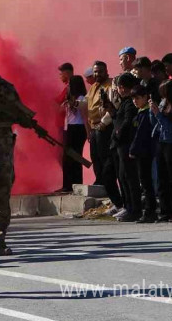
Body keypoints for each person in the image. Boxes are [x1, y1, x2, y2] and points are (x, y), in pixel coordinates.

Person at [0, 48, 35, 256]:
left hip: (4, 143)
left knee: (4, 186)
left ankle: (1, 236)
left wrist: (27, 120)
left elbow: (19, 113)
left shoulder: (6, 89)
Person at [86, 61, 124, 215]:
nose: (97, 74)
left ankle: (119, 201)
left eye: (100, 71)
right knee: (97, 161)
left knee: (108, 164)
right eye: (95, 71)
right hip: (95, 128)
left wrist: (103, 123)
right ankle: (114, 200)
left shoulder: (111, 85)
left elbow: (113, 106)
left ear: (106, 71)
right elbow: (89, 108)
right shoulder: (94, 87)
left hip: (105, 128)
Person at [106, 73, 141, 222]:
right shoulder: (124, 102)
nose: (118, 90)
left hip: (126, 144)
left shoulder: (129, 103)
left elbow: (126, 122)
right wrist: (112, 111)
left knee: (129, 177)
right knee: (122, 176)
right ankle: (128, 206)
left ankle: (134, 209)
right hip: (120, 145)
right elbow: (118, 119)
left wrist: (119, 133)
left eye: (120, 87)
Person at [151, 80, 172, 222]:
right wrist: (152, 112)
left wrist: (158, 114)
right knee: (161, 178)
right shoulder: (163, 103)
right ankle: (165, 211)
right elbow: (156, 123)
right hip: (161, 142)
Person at [129, 85, 157, 223]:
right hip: (142, 151)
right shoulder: (140, 112)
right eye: (133, 98)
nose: (135, 101)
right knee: (144, 182)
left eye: (138, 98)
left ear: (145, 97)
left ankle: (149, 211)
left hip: (144, 152)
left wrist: (133, 150)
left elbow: (141, 135)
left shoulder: (146, 113)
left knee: (146, 183)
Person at [61, 75, 88, 193]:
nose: (67, 86)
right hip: (70, 128)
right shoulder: (69, 100)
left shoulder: (81, 98)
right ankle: (67, 185)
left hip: (78, 129)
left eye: (69, 84)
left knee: (75, 157)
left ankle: (75, 184)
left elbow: (84, 116)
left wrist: (88, 132)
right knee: (67, 158)